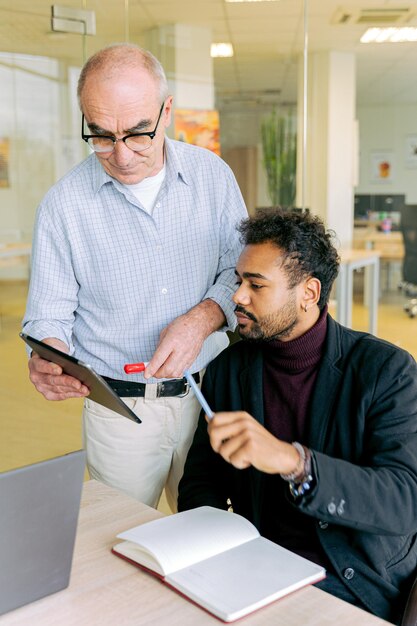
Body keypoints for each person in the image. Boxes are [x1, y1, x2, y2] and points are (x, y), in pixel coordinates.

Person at [22, 43, 247, 511]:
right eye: (102, 135)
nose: (121, 155)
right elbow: (48, 317)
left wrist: (204, 317)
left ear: (167, 112)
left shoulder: (214, 177)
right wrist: (50, 357)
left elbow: (238, 272)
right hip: (120, 414)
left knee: (210, 538)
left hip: (210, 396)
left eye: (138, 133)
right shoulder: (63, 207)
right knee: (121, 548)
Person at [178, 210, 417, 624]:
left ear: (309, 292)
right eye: (239, 281)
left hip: (353, 583)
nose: (237, 296)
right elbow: (201, 484)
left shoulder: (386, 372)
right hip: (257, 575)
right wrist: (218, 556)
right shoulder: (228, 370)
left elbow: (403, 502)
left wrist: (295, 463)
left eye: (256, 285)